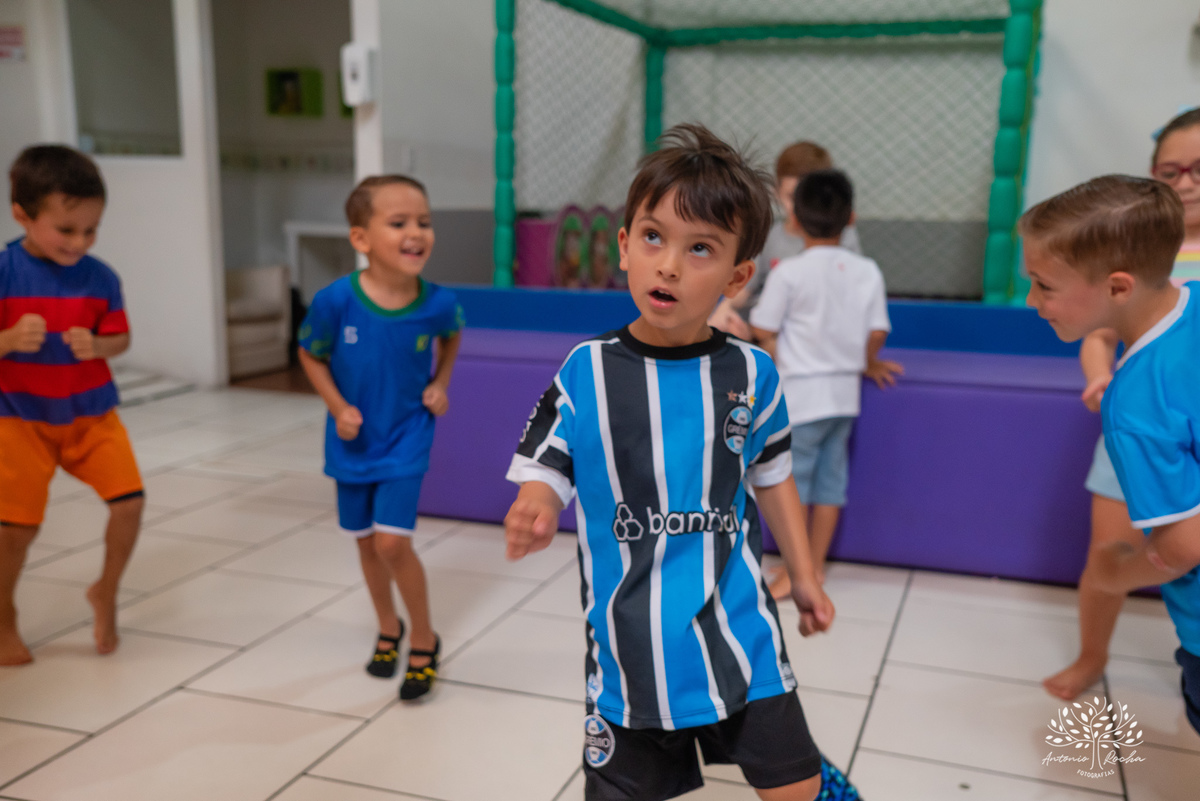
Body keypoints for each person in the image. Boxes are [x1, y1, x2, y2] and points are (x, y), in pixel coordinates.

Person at [504, 124, 860, 801]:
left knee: (793, 785)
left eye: (700, 249)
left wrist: (805, 575)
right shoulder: (588, 370)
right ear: (624, 245)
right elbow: (547, 462)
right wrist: (539, 502)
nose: (668, 264)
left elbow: (774, 474)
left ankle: (816, 777)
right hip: (629, 648)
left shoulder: (753, 374)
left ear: (737, 275)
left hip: (738, 627)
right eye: (653, 237)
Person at [1023, 174, 1200, 736]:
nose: (1032, 301)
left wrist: (1117, 572)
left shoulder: (1135, 406)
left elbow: (1183, 543)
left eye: (1044, 286)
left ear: (1119, 287)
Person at [297, 174, 463, 700]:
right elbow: (309, 353)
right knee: (368, 544)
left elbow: (453, 334)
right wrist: (337, 406)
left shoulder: (437, 302)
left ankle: (424, 637)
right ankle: (387, 627)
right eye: (398, 223)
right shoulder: (333, 302)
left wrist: (440, 382)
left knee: (393, 542)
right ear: (361, 239)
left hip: (408, 435)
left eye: (424, 222)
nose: (416, 233)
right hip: (352, 442)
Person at [0, 145, 144, 666]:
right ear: (22, 214)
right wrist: (8, 339)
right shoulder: (4, 272)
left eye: (92, 229)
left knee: (129, 502)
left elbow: (120, 339)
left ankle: (105, 590)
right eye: (66, 230)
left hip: (90, 414)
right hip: (18, 419)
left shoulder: (101, 278)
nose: (80, 242)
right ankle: (3, 617)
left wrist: (100, 347)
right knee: (17, 528)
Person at [750, 170, 901, 595]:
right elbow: (877, 332)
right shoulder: (867, 270)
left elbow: (763, 326)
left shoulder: (789, 272)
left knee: (790, 486)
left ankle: (796, 571)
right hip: (842, 399)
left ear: (792, 220)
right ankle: (814, 566)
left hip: (800, 398)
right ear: (851, 217)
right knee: (831, 485)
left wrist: (777, 359)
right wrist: (868, 362)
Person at [708, 141, 862, 341]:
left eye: (807, 199)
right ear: (776, 191)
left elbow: (851, 297)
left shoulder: (844, 237)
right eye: (791, 197)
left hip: (817, 328)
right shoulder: (769, 236)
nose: (798, 207)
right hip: (766, 328)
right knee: (724, 328)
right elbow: (744, 289)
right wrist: (724, 308)